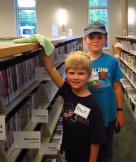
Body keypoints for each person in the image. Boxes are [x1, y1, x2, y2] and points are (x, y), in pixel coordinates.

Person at [42, 51, 106, 162]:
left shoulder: (92, 104)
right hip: (70, 151)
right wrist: (43, 44)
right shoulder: (67, 91)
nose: (75, 77)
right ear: (66, 74)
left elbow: (96, 139)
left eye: (81, 73)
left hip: (85, 155)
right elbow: (50, 69)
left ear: (89, 75)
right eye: (71, 73)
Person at [84, 22, 125, 162]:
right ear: (85, 40)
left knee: (106, 151)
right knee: (88, 150)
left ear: (106, 38)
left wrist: (120, 111)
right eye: (91, 37)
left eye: (99, 37)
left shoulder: (111, 61)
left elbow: (117, 87)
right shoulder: (81, 61)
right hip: (87, 116)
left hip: (107, 114)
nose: (95, 40)